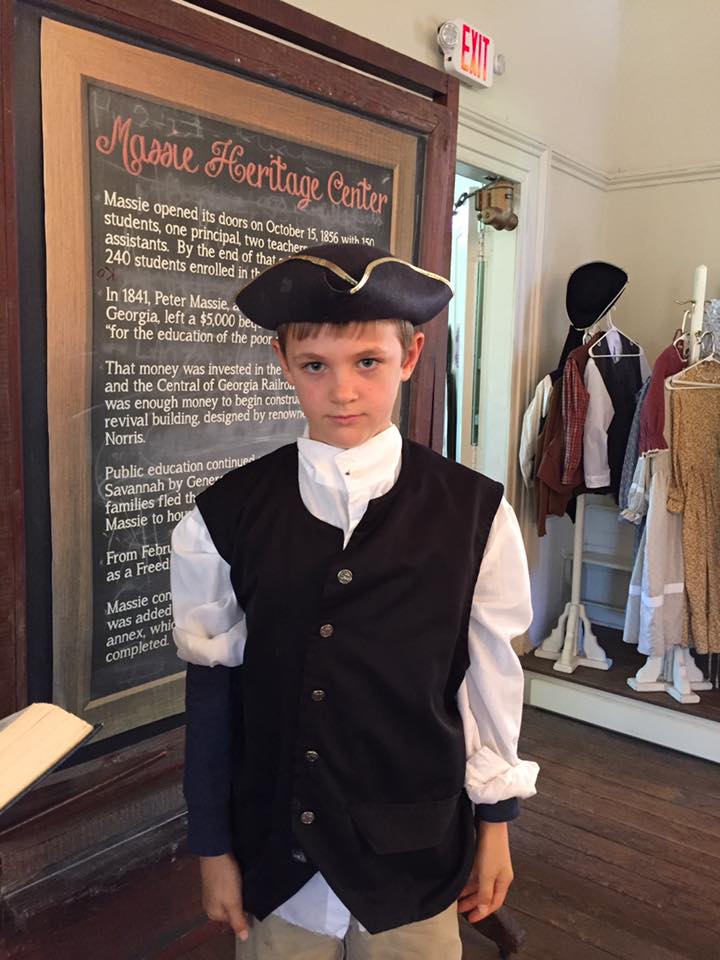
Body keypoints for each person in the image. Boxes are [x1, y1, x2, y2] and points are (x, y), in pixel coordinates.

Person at [171, 243, 539, 960]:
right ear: (284, 362)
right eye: (316, 366)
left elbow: (490, 683)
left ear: (410, 356)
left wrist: (495, 823)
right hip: (277, 857)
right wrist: (212, 846)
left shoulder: (475, 515)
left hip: (413, 857)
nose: (342, 391)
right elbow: (212, 696)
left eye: (367, 362)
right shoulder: (223, 518)